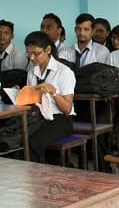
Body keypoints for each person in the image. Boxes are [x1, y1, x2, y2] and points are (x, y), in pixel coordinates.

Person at [24, 31, 76, 163]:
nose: (32, 58)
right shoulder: (32, 70)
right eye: (29, 53)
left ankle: (38, 178)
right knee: (17, 137)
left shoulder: (64, 72)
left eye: (36, 54)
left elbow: (67, 109)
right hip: (38, 117)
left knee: (33, 141)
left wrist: (54, 93)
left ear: (48, 50)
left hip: (60, 120)